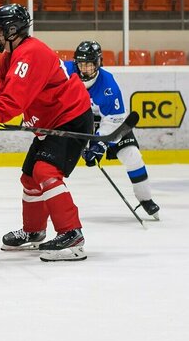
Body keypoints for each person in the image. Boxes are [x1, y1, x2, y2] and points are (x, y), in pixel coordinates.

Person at [0, 3, 93, 262]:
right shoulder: (11, 55)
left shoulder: (30, 54)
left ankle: (72, 235)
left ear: (12, 30)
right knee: (30, 177)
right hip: (51, 121)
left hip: (70, 118)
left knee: (45, 171)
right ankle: (34, 231)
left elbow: (14, 100)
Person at [65, 41, 160, 218]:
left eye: (89, 64)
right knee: (55, 160)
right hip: (77, 123)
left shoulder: (109, 86)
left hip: (107, 125)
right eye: (81, 63)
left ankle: (145, 199)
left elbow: (114, 121)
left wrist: (98, 145)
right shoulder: (65, 71)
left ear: (98, 63)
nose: (84, 68)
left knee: (133, 156)